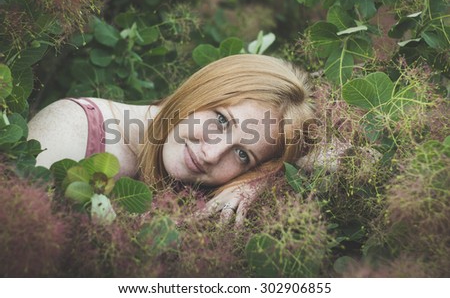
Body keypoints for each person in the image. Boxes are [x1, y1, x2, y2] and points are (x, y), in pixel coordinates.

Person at [28, 54, 315, 225]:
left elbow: (337, 156)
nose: (211, 155)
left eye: (242, 155)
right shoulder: (71, 129)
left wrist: (261, 179)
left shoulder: (209, 186)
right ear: (200, 90)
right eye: (221, 120)